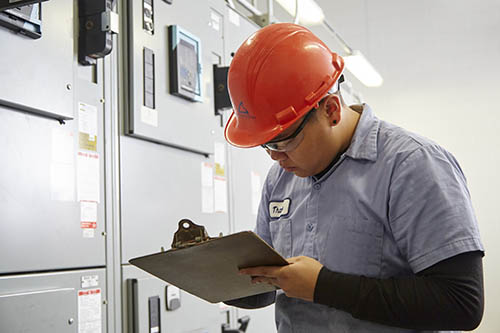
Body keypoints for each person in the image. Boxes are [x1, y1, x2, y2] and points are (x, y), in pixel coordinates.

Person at [223, 23, 484, 332]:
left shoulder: (413, 165)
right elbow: (270, 285)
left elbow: (461, 303)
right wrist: (210, 277)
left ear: (331, 110)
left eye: (283, 142)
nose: (275, 157)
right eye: (266, 145)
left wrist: (324, 286)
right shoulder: (279, 180)